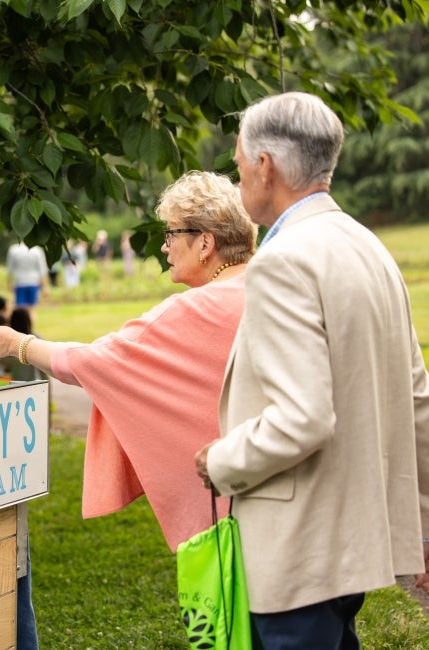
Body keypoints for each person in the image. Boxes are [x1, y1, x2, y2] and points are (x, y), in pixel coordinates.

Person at [0, 171, 257, 643]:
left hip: (237, 525)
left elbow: (92, 363)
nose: (164, 246)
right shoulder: (274, 286)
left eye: (172, 234)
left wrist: (16, 344)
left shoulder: (189, 311)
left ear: (204, 243)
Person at [194, 91, 429, 649]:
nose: (239, 179)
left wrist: (219, 461)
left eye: (238, 164)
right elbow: (417, 397)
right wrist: (420, 524)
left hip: (298, 551)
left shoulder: (283, 260)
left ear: (264, 165)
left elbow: (302, 419)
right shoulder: (368, 246)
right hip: (352, 545)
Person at [5, 241, 48, 311]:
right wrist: (44, 287)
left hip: (20, 282)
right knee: (32, 309)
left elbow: (10, 268)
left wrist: (9, 283)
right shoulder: (37, 250)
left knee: (20, 309)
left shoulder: (13, 250)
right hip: (33, 282)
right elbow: (42, 270)